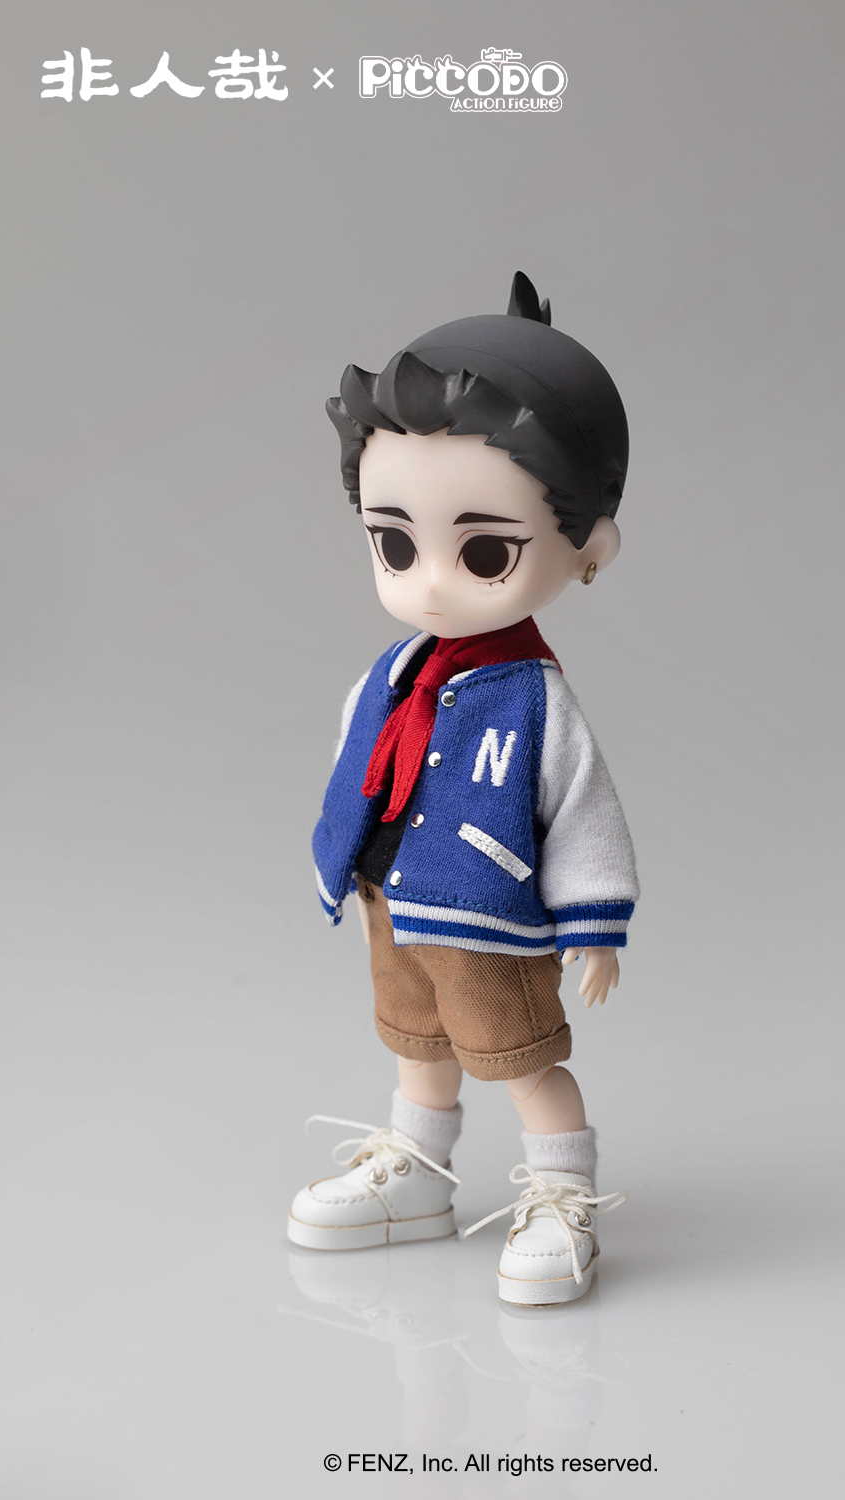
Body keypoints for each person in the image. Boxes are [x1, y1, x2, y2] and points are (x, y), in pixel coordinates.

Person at [288, 274, 639, 1305]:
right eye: (394, 542)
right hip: (392, 893)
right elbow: (358, 758)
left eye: (483, 550)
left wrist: (593, 925)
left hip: (487, 911)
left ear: (589, 549)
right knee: (415, 1041)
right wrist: (340, 854)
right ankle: (418, 1173)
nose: (429, 579)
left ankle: (562, 1196)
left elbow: (583, 810)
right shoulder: (394, 671)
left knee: (520, 1057)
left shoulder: (532, 699)